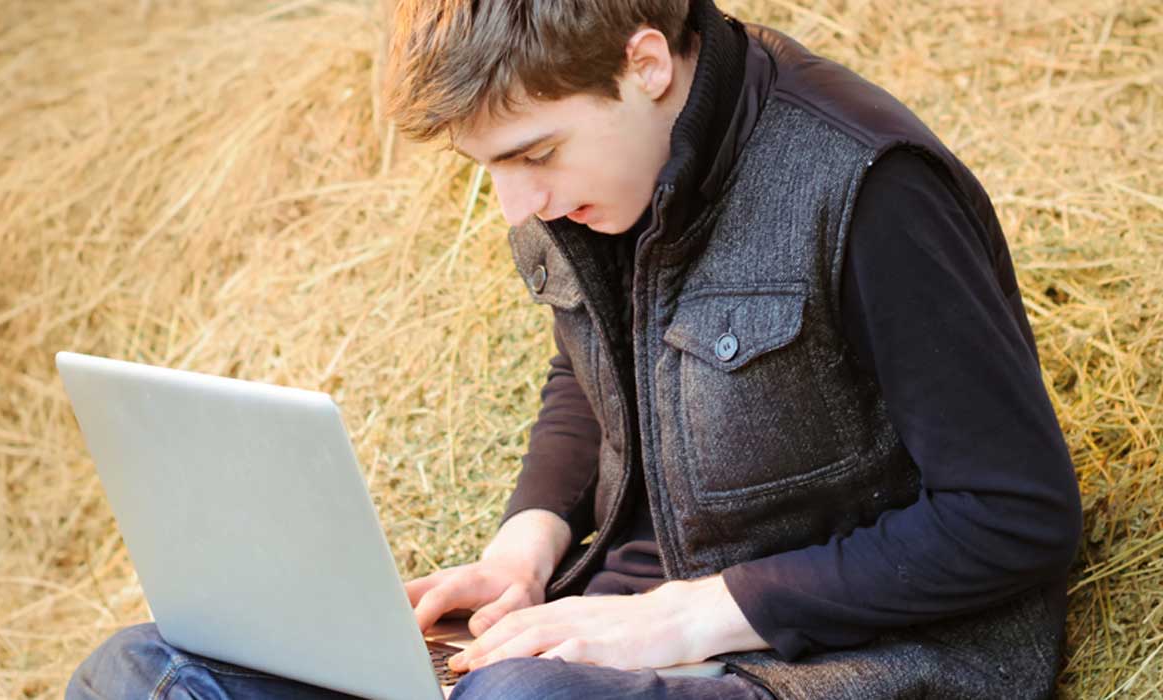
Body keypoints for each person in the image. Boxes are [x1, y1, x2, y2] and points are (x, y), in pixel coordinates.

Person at [66, 1, 1083, 698]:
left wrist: (689, 620)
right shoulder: (594, 172)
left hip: (838, 662)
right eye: (491, 170)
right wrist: (530, 543)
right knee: (149, 667)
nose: (519, 206)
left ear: (644, 63)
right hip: (606, 639)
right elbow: (588, 374)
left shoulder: (868, 189)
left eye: (532, 156)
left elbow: (1019, 515)